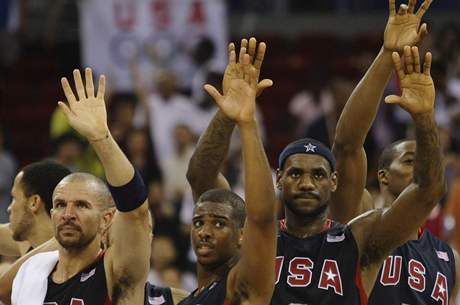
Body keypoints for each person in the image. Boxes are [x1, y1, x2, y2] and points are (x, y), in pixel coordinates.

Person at [187, 36, 444, 305]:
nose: (306, 183)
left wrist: (424, 118)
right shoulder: (250, 241)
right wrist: (229, 114)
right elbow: (201, 176)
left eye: (318, 175)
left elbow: (427, 192)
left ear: (334, 182)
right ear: (279, 179)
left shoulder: (359, 238)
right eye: (296, 174)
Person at [331, 1, 460, 303]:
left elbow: (430, 184)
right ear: (383, 176)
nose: (420, 167)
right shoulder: (359, 216)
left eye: (424, 160)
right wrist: (388, 55)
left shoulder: (450, 257)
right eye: (409, 160)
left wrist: (425, 116)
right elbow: (347, 146)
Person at [10, 68, 151, 305]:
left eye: (82, 205)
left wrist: (100, 137)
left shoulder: (115, 271)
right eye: (60, 205)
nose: (68, 214)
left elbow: (136, 211)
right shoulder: (32, 272)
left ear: (107, 219)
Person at [178, 38, 277, 305]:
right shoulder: (189, 299)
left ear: (243, 233)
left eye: (219, 224)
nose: (205, 232)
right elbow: (199, 176)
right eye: (198, 223)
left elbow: (262, 219)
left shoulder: (241, 283)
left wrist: (246, 123)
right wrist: (227, 112)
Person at [0, 160, 70, 257]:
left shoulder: (76, 251)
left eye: (14, 198)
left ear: (34, 202)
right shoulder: (28, 241)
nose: (9, 208)